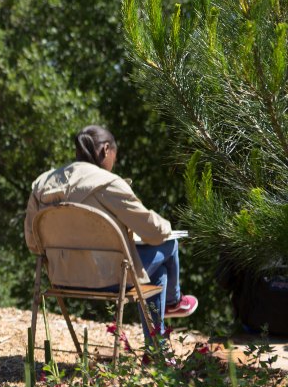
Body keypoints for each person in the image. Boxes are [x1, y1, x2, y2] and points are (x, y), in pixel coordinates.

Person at [24, 125, 198, 340]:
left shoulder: (42, 183)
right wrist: (167, 227)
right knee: (169, 245)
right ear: (106, 150)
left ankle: (160, 346)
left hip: (60, 277)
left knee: (158, 274)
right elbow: (154, 232)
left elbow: (33, 243)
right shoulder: (107, 183)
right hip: (108, 279)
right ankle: (172, 305)